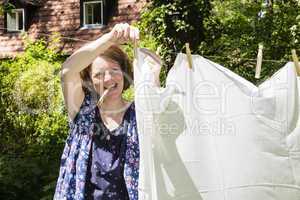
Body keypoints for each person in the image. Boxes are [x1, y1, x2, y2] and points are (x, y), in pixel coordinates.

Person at [54, 23, 161, 200]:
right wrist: (110, 38)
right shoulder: (83, 111)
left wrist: (154, 75)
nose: (109, 78)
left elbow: (159, 143)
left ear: (125, 73)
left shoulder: (139, 112)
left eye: (114, 70)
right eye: (99, 74)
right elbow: (67, 70)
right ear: (89, 80)